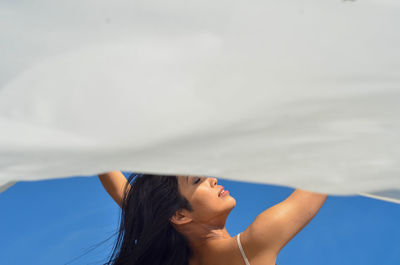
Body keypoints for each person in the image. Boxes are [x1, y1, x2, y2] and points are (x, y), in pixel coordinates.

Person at [98, 171, 328, 265]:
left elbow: (125, 192)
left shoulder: (160, 224)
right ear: (179, 215)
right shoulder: (254, 245)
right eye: (197, 181)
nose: (212, 179)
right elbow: (325, 173)